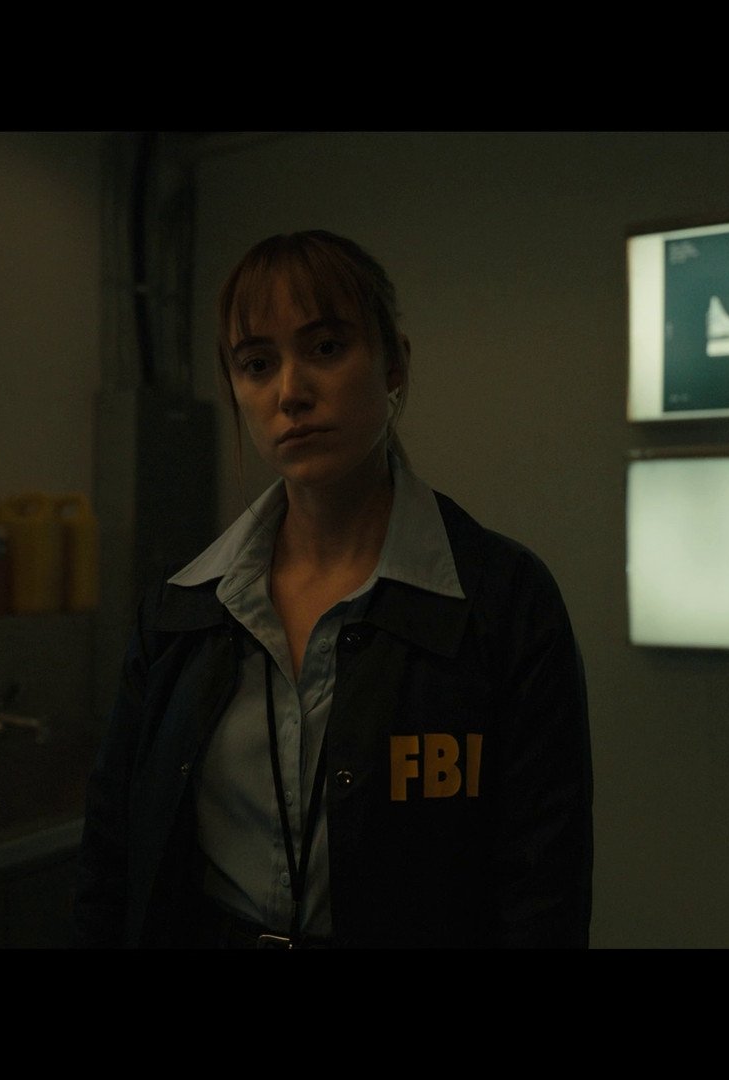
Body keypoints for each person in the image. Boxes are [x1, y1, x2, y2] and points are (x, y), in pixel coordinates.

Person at [73, 231, 592, 948]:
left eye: (325, 348)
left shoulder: (502, 602)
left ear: (394, 364)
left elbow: (543, 890)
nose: (290, 392)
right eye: (257, 364)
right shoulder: (182, 610)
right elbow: (111, 861)